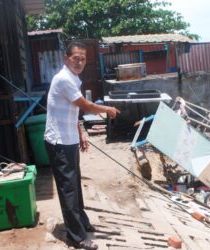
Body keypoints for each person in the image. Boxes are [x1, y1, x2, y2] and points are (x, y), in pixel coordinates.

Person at [44, 41, 120, 250]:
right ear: (65, 58)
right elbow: (84, 106)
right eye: (75, 58)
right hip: (59, 141)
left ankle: (82, 222)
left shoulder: (73, 78)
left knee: (74, 184)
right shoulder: (63, 79)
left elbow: (72, 109)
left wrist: (81, 133)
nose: (79, 62)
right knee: (68, 189)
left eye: (83, 59)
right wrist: (107, 109)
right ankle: (76, 237)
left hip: (69, 139)